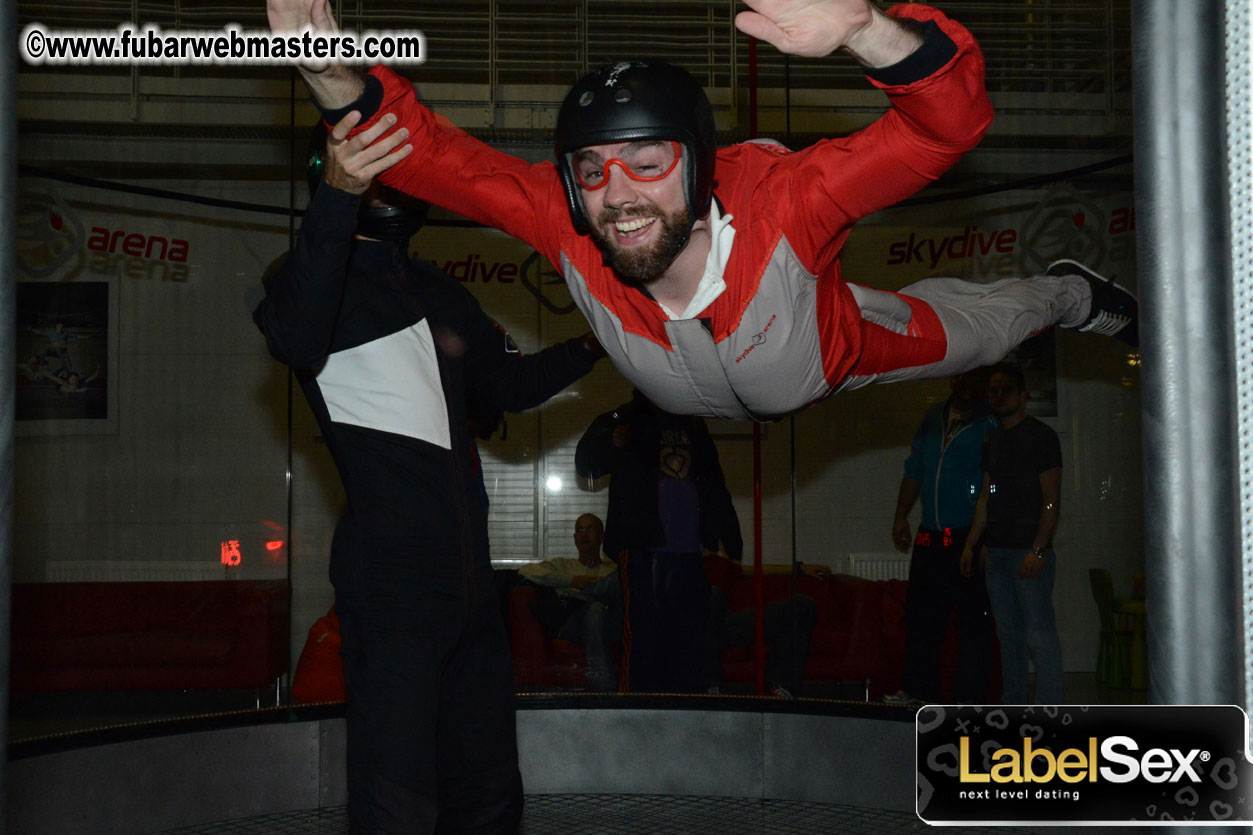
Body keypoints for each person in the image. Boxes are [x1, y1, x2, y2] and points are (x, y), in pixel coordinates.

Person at [265, 0, 1138, 423]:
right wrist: (328, 70)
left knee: (982, 335)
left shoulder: (791, 203)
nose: (619, 197)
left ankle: (1069, 293)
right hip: (711, 374)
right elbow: (430, 154)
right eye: (595, 172)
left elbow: (947, 127)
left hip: (824, 345)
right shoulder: (561, 215)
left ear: (701, 166)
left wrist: (868, 30)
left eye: (647, 166)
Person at [252, 113, 603, 833]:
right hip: (393, 586)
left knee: (489, 792)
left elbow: (506, 386)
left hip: (472, 586)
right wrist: (338, 196)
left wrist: (606, 337)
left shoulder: (436, 289)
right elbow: (292, 336)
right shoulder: (312, 282)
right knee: (397, 799)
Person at [575, 390, 742, 692]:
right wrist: (612, 438)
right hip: (641, 548)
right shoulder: (626, 419)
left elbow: (713, 480)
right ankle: (636, 712)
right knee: (642, 634)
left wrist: (728, 532)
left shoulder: (692, 424)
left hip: (688, 550)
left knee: (688, 634)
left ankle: (682, 711)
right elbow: (587, 464)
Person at [886, 369, 996, 705]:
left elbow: (994, 485)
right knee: (921, 618)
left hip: (967, 535)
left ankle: (969, 699)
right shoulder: (933, 417)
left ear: (983, 380)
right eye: (956, 376)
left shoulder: (990, 424)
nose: (961, 382)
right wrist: (901, 516)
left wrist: (984, 540)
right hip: (930, 534)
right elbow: (914, 469)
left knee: (972, 622)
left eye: (969, 377)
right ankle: (919, 692)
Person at [960, 362, 1064, 704]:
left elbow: (1051, 498)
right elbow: (987, 496)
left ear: (1023, 397)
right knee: (1008, 634)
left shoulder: (1042, 436)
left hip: (1027, 552)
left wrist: (1038, 549)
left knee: (1040, 635)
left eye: (1006, 389)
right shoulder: (992, 439)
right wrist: (972, 545)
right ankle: (1013, 706)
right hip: (998, 551)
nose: (998, 396)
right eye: (993, 390)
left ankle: (1050, 709)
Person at [518, 513, 622, 691]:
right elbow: (526, 571)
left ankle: (594, 593)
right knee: (595, 608)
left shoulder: (612, 570)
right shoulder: (564, 566)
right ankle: (605, 690)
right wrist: (571, 581)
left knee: (615, 584)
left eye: (590, 529)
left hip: (608, 622)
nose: (584, 535)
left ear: (602, 536)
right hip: (573, 624)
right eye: (580, 530)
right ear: (574, 538)